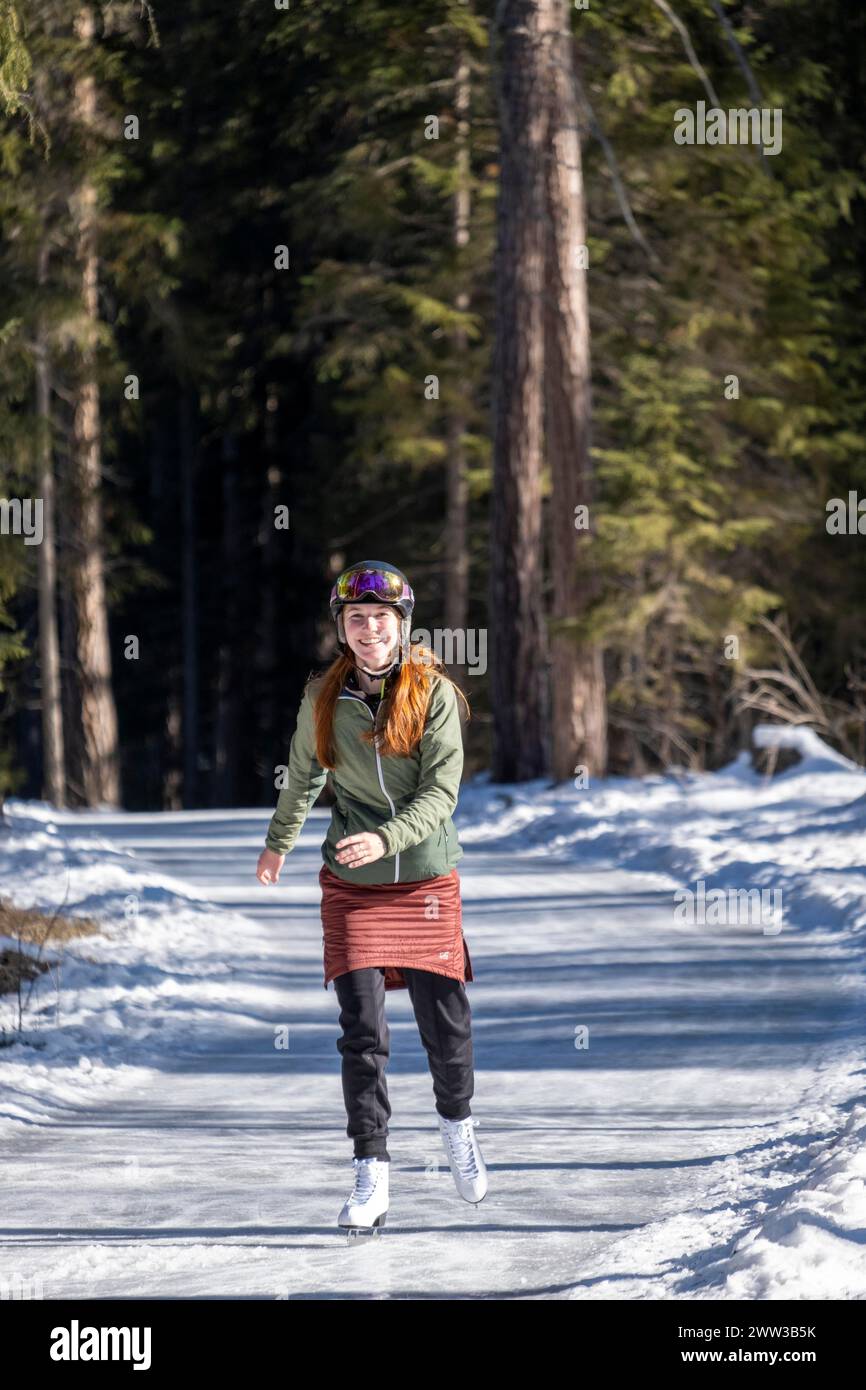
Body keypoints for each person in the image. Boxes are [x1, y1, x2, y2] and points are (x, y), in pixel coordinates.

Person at [255, 560, 487, 1235]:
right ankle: (371, 1172)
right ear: (342, 629)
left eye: (380, 619)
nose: (368, 630)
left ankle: (457, 1126)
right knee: (362, 1032)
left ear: (401, 625)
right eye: (355, 619)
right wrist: (279, 843)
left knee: (445, 1025)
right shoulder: (323, 698)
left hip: (424, 879)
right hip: (352, 886)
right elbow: (301, 776)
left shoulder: (433, 696)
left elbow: (441, 795)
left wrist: (387, 839)